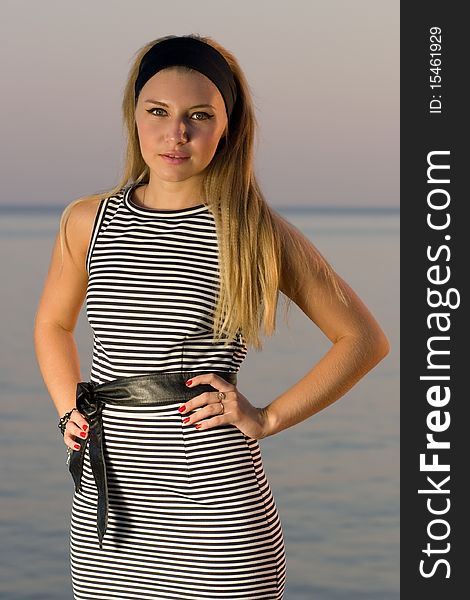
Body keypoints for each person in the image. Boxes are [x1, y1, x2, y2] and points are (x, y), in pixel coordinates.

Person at [33, 33, 390, 600]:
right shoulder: (88, 220)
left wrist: (267, 418)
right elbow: (53, 324)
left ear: (227, 126)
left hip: (222, 524)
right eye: (158, 112)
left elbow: (363, 339)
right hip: (110, 518)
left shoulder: (254, 231)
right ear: (134, 116)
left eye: (199, 115)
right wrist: (65, 410)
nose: (177, 133)